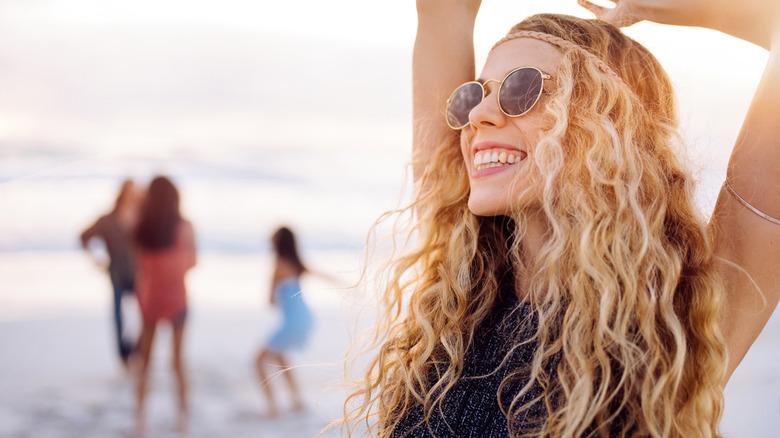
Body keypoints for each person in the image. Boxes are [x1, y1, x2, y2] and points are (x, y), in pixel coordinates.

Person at [343, 0, 780, 437]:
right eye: (473, 95)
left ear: (611, 125)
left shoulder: (679, 319)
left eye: (521, 89)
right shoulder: (460, 295)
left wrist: (700, 10)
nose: (477, 117)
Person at [132, 176, 196, 434]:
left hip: (149, 299)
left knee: (144, 363)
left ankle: (140, 421)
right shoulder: (185, 226)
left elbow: (139, 267)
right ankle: (182, 420)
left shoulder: (140, 227)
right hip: (177, 297)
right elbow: (193, 262)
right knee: (178, 363)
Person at [80, 178, 140, 368]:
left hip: (139, 274)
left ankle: (136, 350)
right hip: (116, 274)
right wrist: (96, 259)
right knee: (118, 317)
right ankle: (123, 358)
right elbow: (84, 236)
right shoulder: (108, 220)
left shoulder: (142, 217)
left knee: (146, 315)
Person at [255, 226, 314, 418]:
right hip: (305, 318)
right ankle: (298, 400)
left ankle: (272, 407)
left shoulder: (279, 265)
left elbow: (270, 300)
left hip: (292, 322)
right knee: (280, 358)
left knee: (257, 361)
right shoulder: (296, 264)